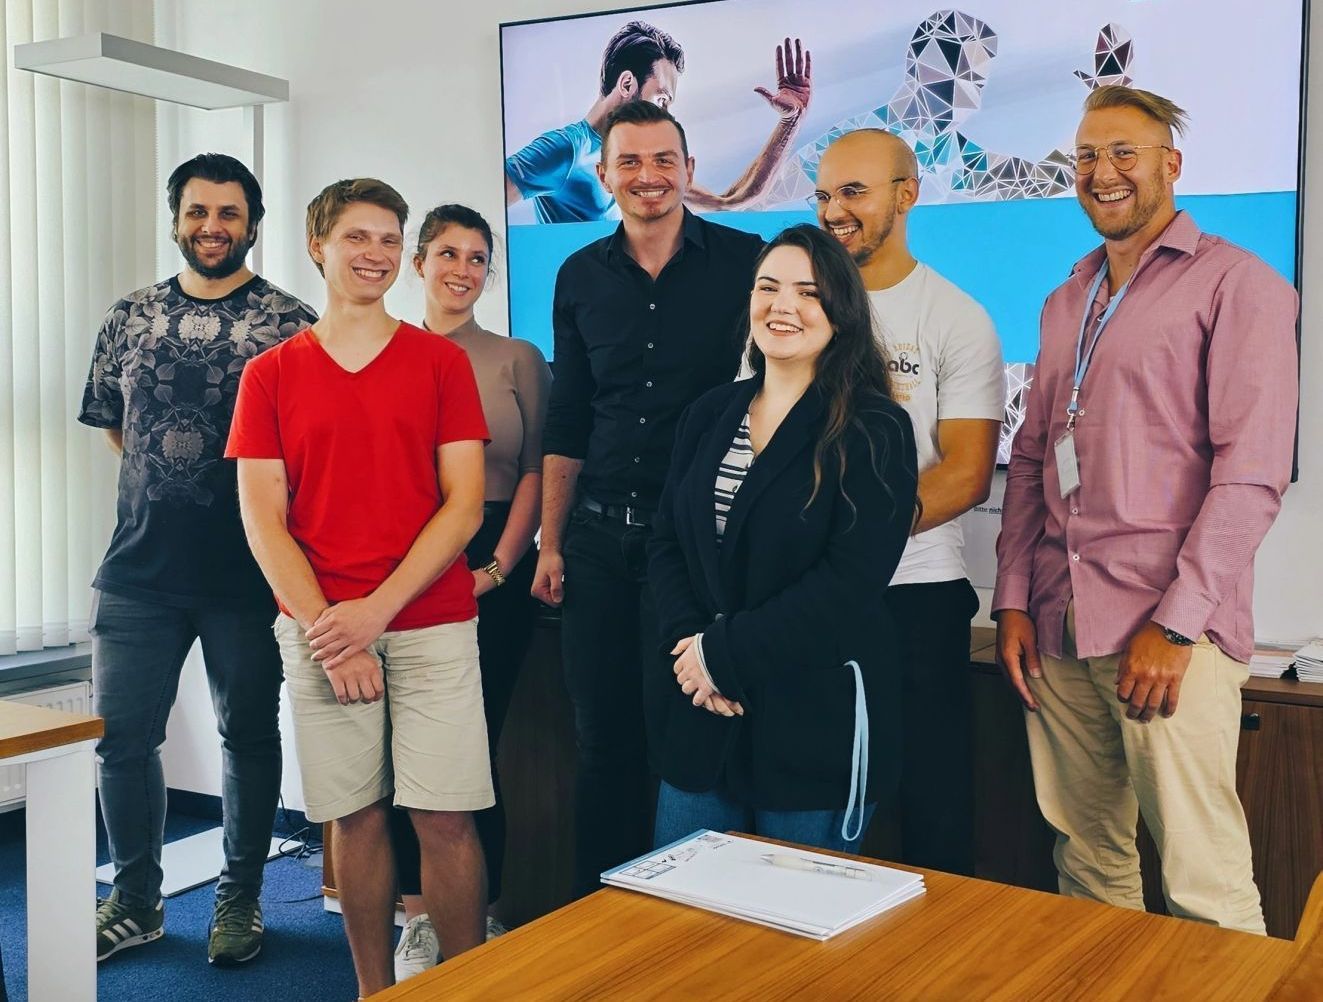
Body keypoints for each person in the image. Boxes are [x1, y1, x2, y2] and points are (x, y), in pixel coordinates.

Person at [994, 85, 1298, 934]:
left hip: (1165, 637)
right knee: (1087, 860)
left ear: (1171, 165)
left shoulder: (1239, 285)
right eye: (1087, 156)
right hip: (1057, 626)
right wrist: (1012, 598)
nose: (1103, 171)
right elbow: (1030, 460)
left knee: (1202, 882)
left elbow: (1250, 475)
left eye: (1123, 152)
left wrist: (1175, 625)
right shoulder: (1066, 299)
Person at [227, 179, 493, 997]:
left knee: (444, 816)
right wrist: (330, 632)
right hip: (319, 632)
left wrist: (374, 614)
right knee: (356, 816)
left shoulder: (440, 363)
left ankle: (466, 987)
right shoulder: (269, 375)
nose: (374, 253)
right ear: (318, 246)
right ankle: (374, 990)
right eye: (356, 237)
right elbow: (263, 522)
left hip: (429, 623)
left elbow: (464, 505)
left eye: (387, 238)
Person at [79, 153, 316, 966]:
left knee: (246, 735)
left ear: (253, 223)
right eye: (197, 212)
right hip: (138, 571)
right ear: (176, 218)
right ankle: (135, 902)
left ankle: (239, 899)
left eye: (228, 213)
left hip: (247, 575)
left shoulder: (291, 324)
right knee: (121, 740)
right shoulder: (130, 316)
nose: (211, 227)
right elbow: (118, 428)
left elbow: (307, 451)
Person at [532, 100, 765, 896]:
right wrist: (551, 541)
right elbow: (569, 414)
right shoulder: (578, 275)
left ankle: (679, 925)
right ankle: (596, 921)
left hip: (695, 547)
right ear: (603, 175)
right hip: (597, 541)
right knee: (601, 742)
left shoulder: (746, 263)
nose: (647, 176)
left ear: (689, 169)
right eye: (628, 162)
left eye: (663, 159)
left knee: (687, 738)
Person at [647, 224, 918, 851]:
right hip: (704, 711)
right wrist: (692, 654)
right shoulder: (710, 413)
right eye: (768, 287)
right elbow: (668, 545)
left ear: (841, 312)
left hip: (812, 722)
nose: (783, 305)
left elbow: (848, 583)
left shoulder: (876, 427)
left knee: (795, 915)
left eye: (808, 292)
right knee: (673, 909)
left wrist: (723, 655)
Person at [813, 129, 1004, 875]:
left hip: (916, 596)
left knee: (933, 802)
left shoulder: (955, 317)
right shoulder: (789, 306)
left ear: (907, 194)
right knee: (817, 797)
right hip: (803, 598)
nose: (834, 210)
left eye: (854, 192)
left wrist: (851, 542)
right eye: (823, 194)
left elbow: (966, 472)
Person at [388, 204, 551, 980]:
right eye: (447, 253)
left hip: (493, 561)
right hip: (403, 562)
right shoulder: (384, 351)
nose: (462, 269)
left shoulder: (517, 358)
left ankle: (480, 911)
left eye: (478, 257)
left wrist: (499, 568)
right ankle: (419, 918)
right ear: (418, 262)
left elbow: (538, 469)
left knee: (469, 748)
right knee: (401, 752)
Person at [505, 20, 811, 222]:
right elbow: (486, 196)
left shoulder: (644, 168)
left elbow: (731, 201)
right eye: (661, 99)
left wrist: (790, 121)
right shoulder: (567, 150)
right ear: (627, 84)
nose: (665, 114)